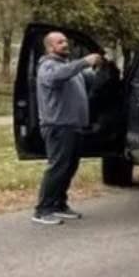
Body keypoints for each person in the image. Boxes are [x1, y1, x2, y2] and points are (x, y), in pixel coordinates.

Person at [31, 32, 103, 225]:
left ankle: (59, 204)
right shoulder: (48, 66)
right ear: (49, 47)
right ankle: (43, 210)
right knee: (57, 168)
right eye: (59, 42)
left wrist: (100, 68)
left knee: (69, 167)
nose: (65, 44)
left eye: (65, 41)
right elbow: (55, 78)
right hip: (58, 126)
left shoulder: (68, 67)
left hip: (74, 126)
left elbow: (86, 77)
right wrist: (84, 62)